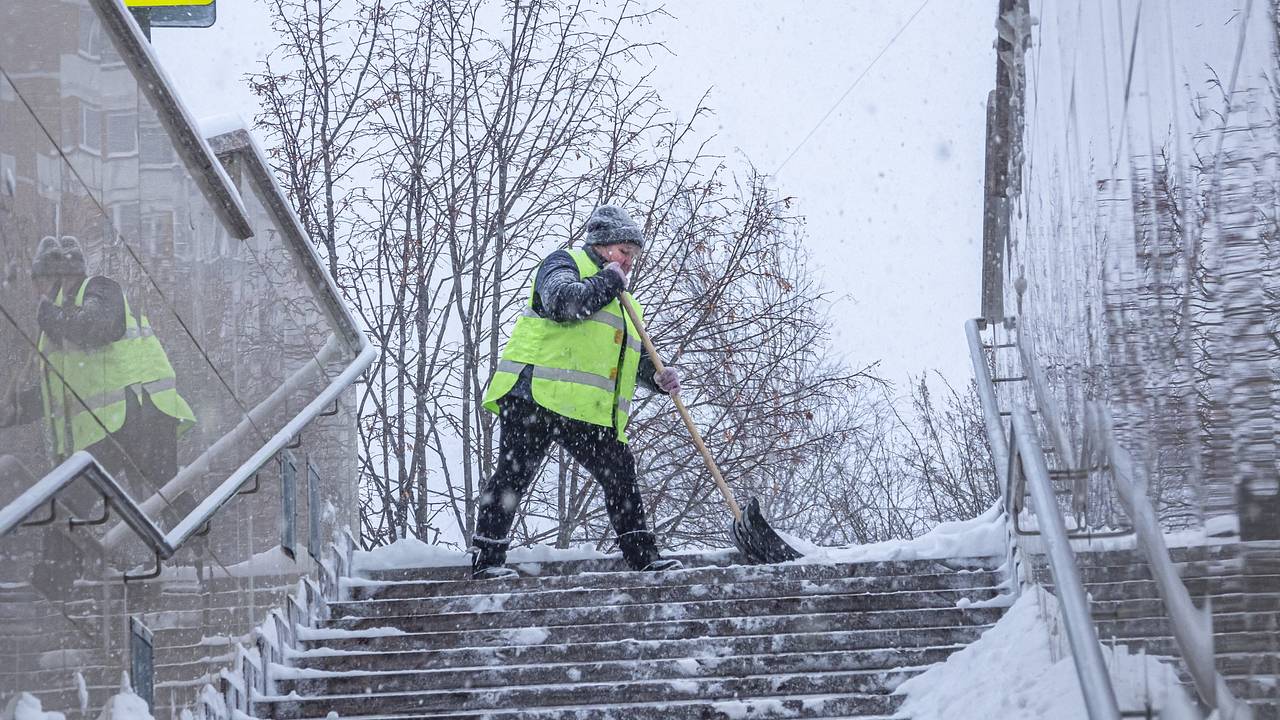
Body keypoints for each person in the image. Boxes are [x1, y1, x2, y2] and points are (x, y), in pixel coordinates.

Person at [473, 205, 684, 579]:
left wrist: (657, 377)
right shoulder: (563, 263)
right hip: (534, 393)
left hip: (585, 409)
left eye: (633, 257)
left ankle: (643, 558)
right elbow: (563, 303)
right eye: (624, 253)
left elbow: (631, 359)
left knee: (620, 472)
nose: (629, 264)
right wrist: (610, 281)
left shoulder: (625, 303)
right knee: (513, 475)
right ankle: (487, 561)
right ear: (601, 246)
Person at [0, 235, 196, 487]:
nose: (38, 291)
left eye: (42, 280)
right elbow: (58, 391)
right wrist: (15, 409)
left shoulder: (99, 289)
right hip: (112, 427)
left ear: (61, 276)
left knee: (162, 498)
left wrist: (52, 317)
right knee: (148, 503)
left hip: (140, 411)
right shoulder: (60, 317)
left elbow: (95, 327)